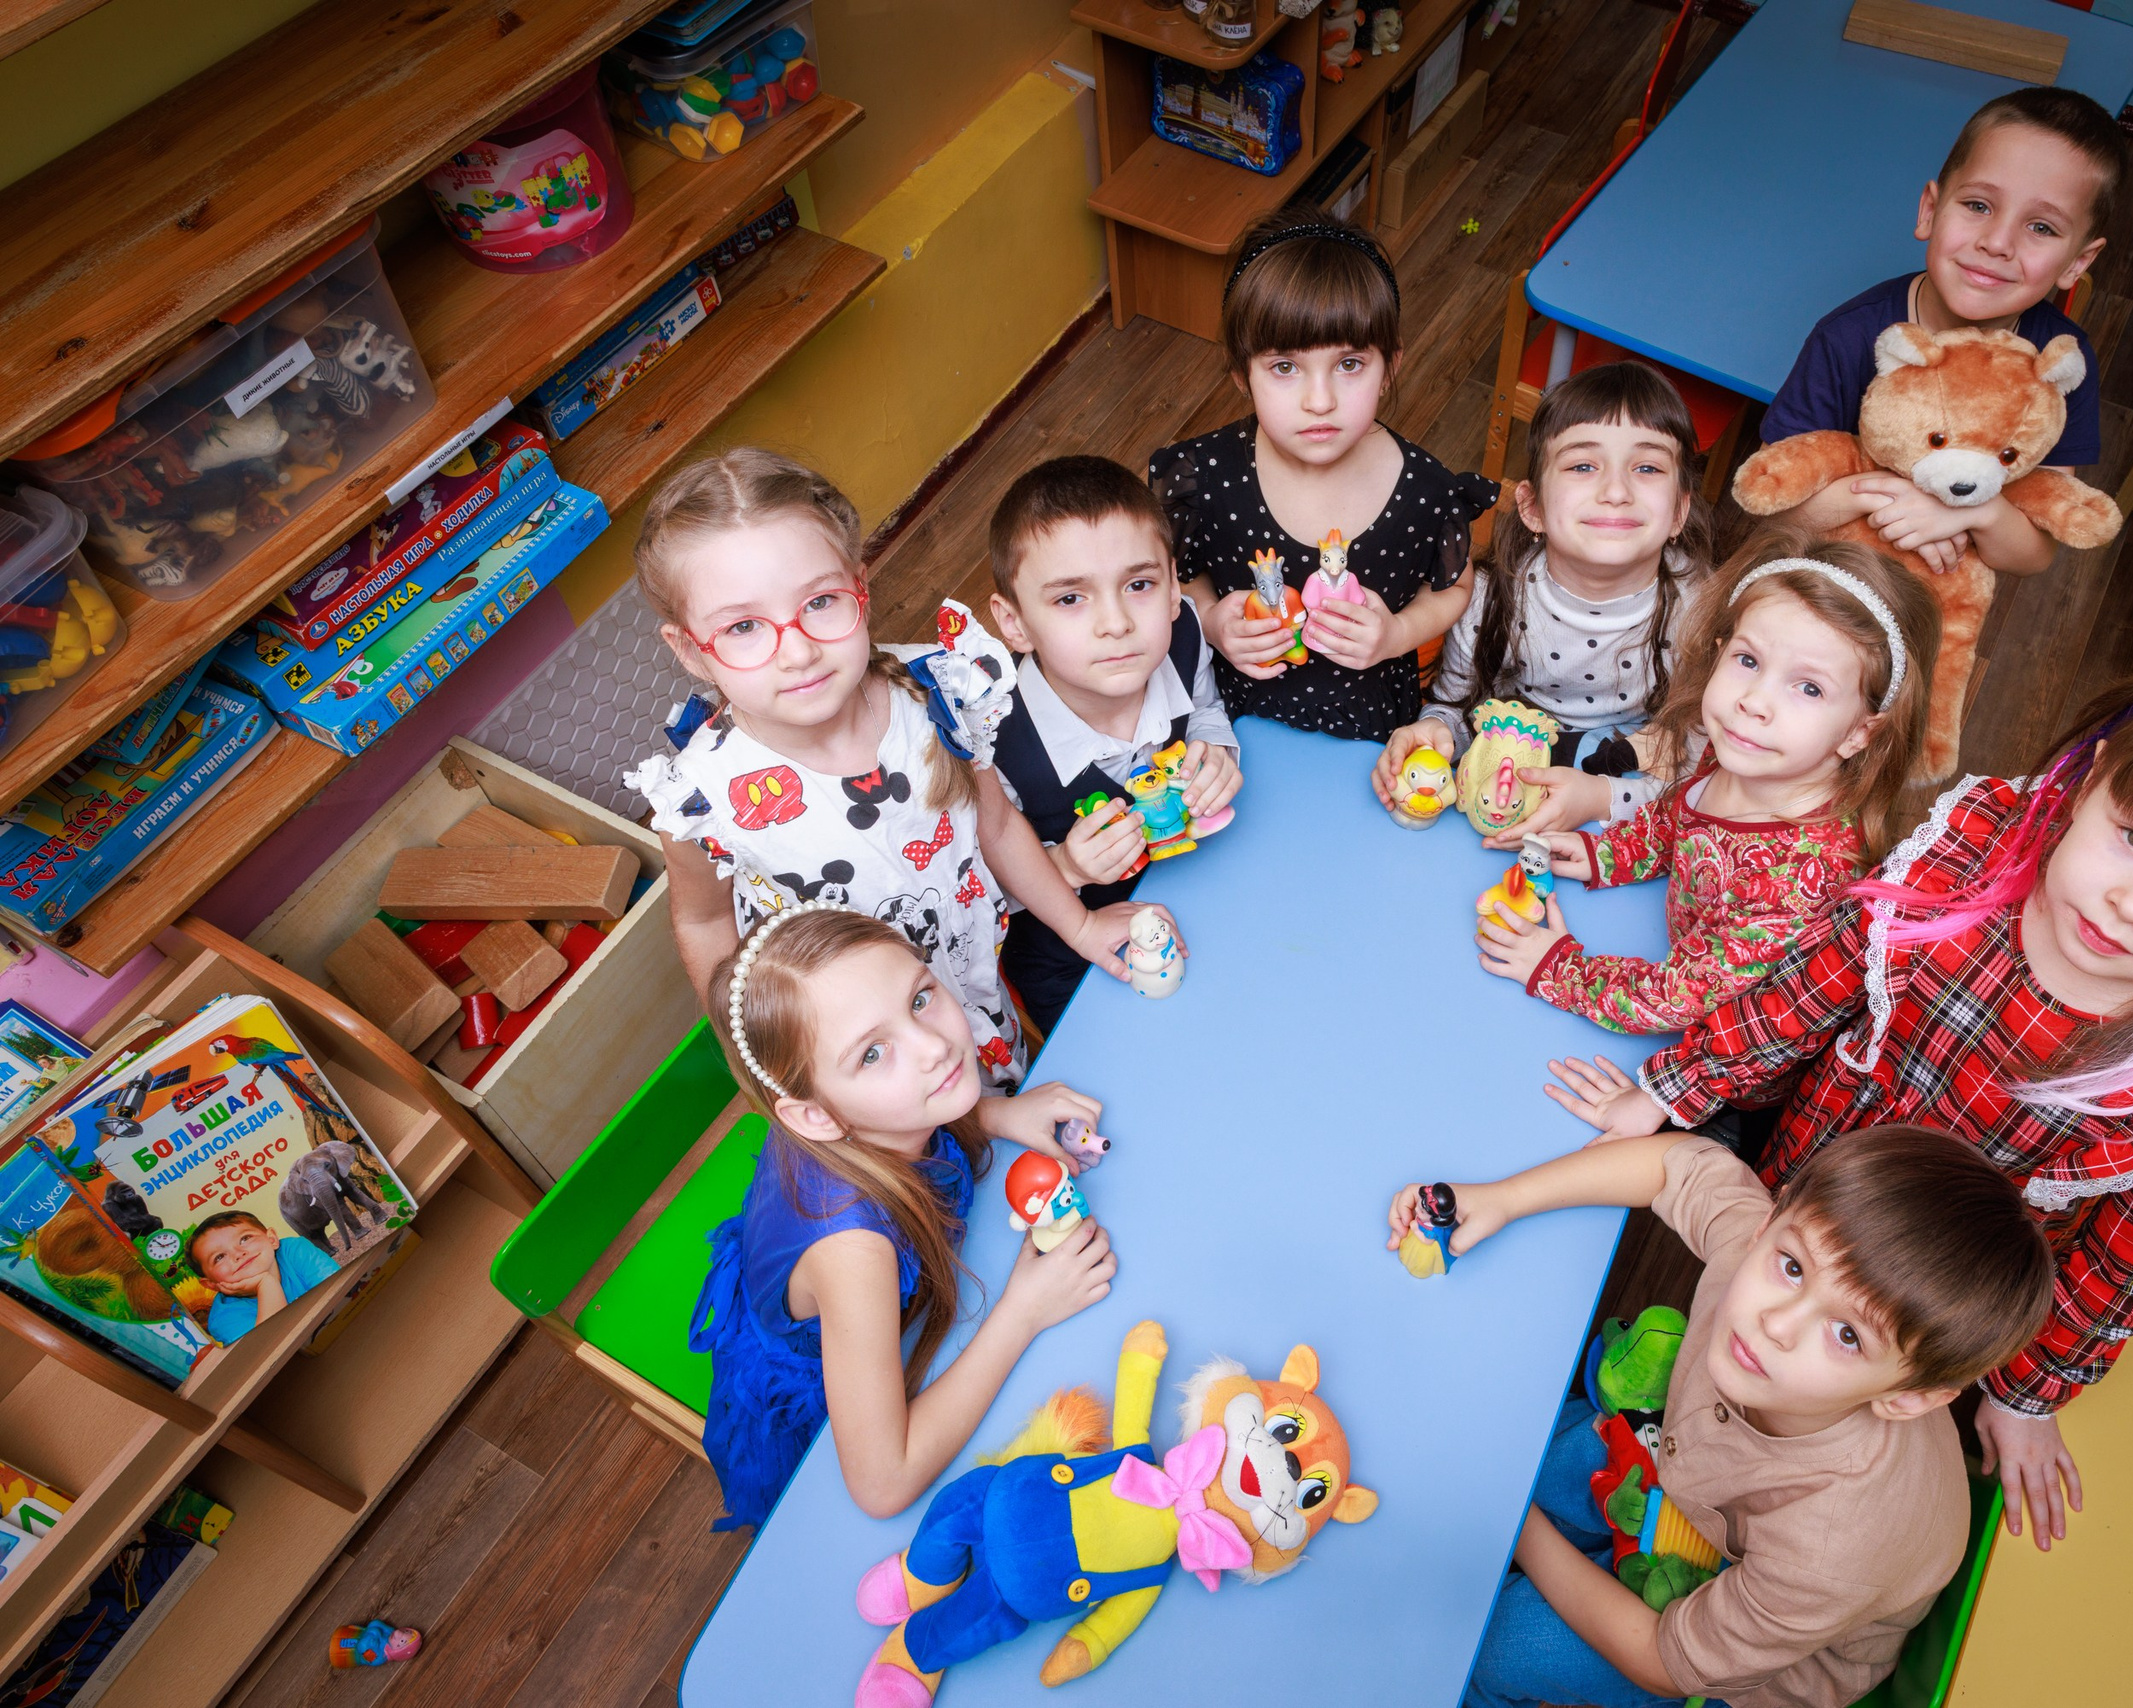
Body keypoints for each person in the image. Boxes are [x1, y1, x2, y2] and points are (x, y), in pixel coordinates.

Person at [1542, 606, 2133, 1550]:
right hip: (1811, 1182)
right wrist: (1677, 1088)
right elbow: (1808, 985)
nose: (2131, 904)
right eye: (2132, 837)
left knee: (1825, 1435)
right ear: (2089, 778)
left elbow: (2127, 1260)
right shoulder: (1969, 859)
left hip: (1932, 1301)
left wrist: (2024, 1395)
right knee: (1738, 1311)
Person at [1390, 1125, 2050, 1708]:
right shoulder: (1765, 1257)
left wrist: (1520, 1527)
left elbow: (1663, 1662)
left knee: (1504, 1644)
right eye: (1791, 1267)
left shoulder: (1831, 1549)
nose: (1776, 1323)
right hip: (1692, 1495)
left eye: (1847, 1336)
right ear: (1772, 1222)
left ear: (1907, 1397)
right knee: (1537, 1449)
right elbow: (1676, 1164)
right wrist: (1505, 1196)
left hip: (1750, 1665)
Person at [625, 448, 1171, 1092]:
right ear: (690, 649)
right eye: (744, 626)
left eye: (821, 602)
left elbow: (993, 823)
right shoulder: (700, 798)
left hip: (971, 991)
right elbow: (705, 922)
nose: (798, 651)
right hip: (847, 1054)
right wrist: (760, 1060)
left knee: (1001, 1116)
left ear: (860, 585)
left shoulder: (942, 694)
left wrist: (1077, 926)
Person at [690, 905, 1116, 1530]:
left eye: (919, 998)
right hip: (826, 1399)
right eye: (871, 1054)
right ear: (814, 1116)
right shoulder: (854, 1253)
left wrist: (996, 1116)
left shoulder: (857, 1111)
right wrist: (1025, 1311)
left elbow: (895, 1111)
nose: (935, 1045)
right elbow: (881, 1483)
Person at [1476, 529, 1939, 1039]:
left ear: (1858, 732)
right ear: (1720, 650)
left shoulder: (1800, 880)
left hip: (1713, 1054)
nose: (1754, 701)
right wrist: (1609, 854)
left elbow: (1673, 1002)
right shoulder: (1744, 753)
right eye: (1748, 660)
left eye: (1809, 687)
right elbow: (1681, 816)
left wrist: (1557, 968)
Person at [1151, 210, 1500, 741]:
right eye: (1285, 367)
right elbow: (1177, 569)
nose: (1320, 401)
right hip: (1230, 724)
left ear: (1391, 368)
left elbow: (1454, 586)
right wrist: (1212, 620)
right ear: (1242, 374)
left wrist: (1399, 632)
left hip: (1371, 725)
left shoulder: (1427, 489)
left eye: (1350, 364)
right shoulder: (1204, 474)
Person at [1759, 87, 2128, 578]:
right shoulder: (1846, 337)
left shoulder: (2060, 363)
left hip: (1941, 603)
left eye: (2041, 227)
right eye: (1978, 205)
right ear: (1929, 211)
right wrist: (1899, 498)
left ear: (2078, 262)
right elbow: (1776, 504)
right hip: (1818, 576)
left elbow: (2034, 554)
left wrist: (1977, 510)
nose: (1997, 242)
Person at [1369, 362, 1711, 835]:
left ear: (1679, 512)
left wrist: (1602, 799)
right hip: (1504, 775)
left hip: (1629, 800)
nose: (1616, 491)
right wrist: (1435, 732)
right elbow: (1453, 706)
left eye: (1648, 467)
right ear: (1532, 507)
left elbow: (1702, 773)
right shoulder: (1489, 599)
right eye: (1583, 465)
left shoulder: (1700, 614)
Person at [981, 456, 1242, 1038]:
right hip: (1077, 964)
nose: (1116, 622)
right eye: (1070, 599)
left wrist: (1215, 748)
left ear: (1175, 587)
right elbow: (979, 889)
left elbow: (1204, 705)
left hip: (1202, 889)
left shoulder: (1184, 635)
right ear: (1015, 622)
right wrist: (1066, 866)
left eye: (1139, 585)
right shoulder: (991, 742)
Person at [189, 1210, 337, 1342]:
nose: (238, 1254)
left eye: (245, 1239)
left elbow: (340, 1292)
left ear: (272, 1239)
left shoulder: (294, 1250)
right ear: (211, 1284)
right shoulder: (224, 1320)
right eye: (219, 1257)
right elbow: (275, 1351)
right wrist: (266, 1284)